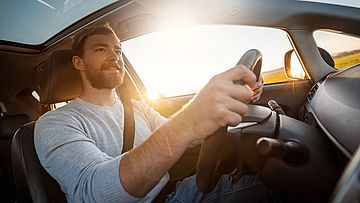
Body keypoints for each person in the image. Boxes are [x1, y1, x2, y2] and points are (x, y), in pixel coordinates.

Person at [34, 24, 271, 203]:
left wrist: (230, 100)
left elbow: (191, 137)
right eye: (100, 49)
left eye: (118, 50)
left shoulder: (138, 108)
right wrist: (191, 119)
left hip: (174, 193)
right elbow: (96, 192)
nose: (114, 56)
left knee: (273, 176)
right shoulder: (55, 123)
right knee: (271, 188)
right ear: (79, 63)